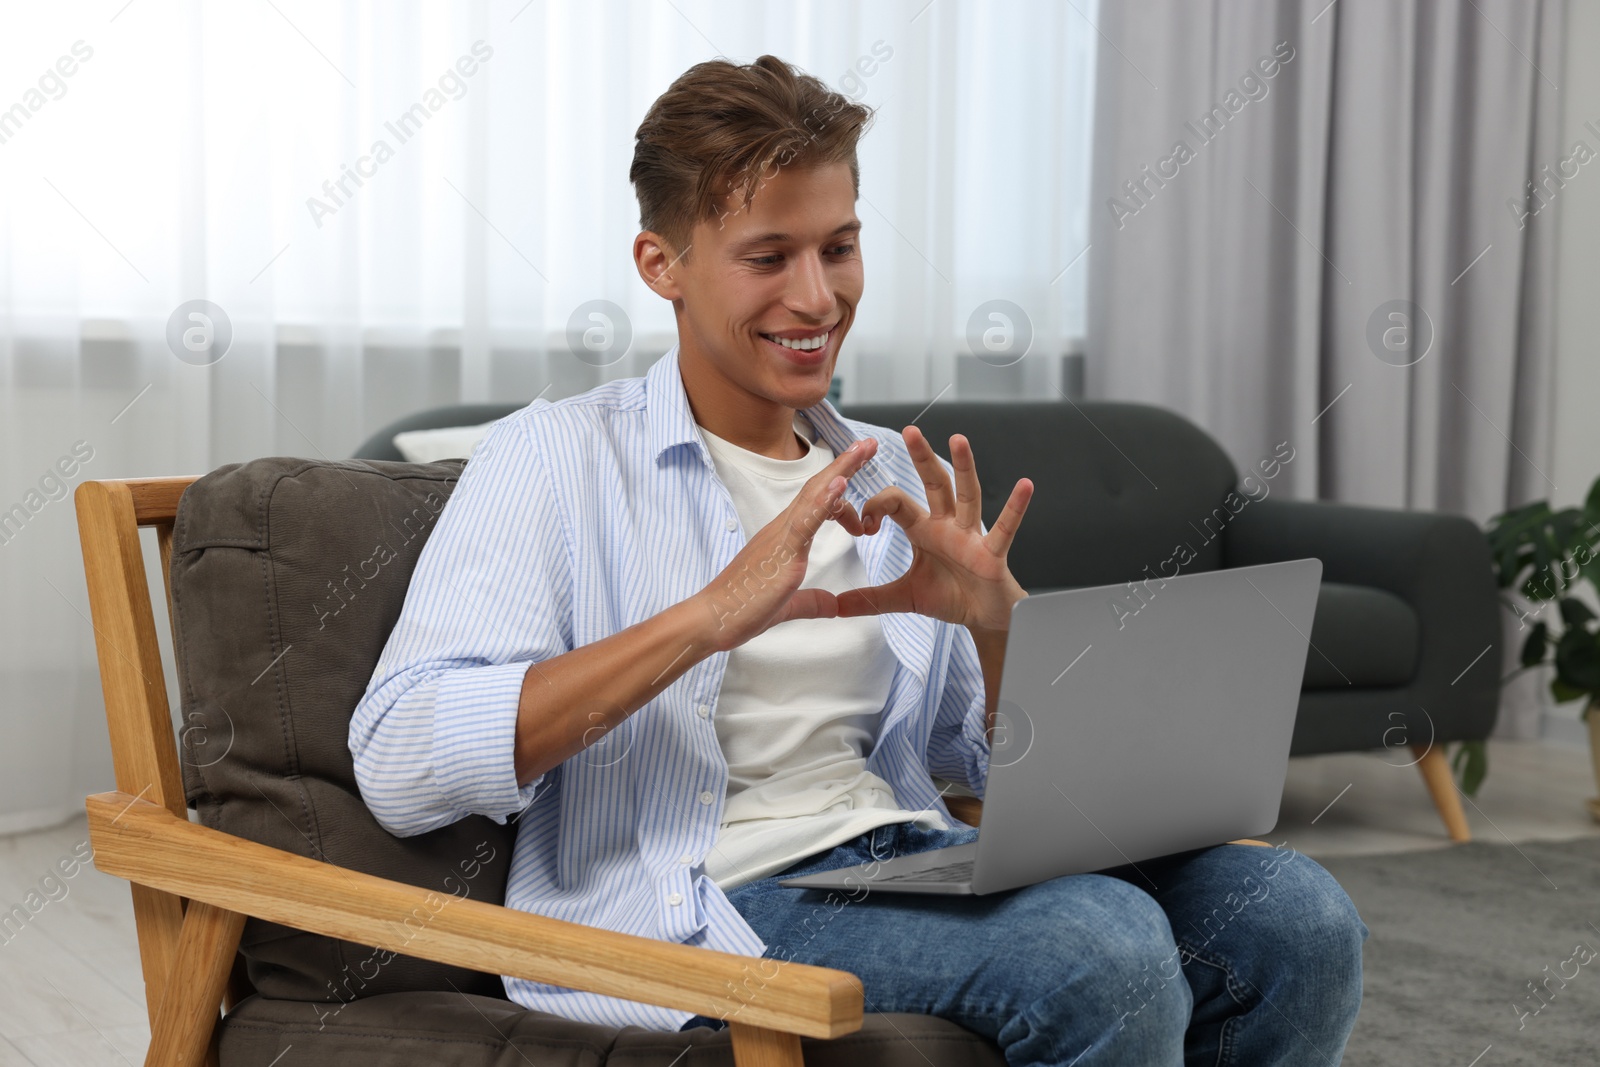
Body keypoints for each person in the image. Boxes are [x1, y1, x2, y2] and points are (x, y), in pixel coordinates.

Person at [350, 53, 1367, 1065]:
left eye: (839, 247)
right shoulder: (556, 454)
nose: (817, 296)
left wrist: (998, 619)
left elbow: (986, 766)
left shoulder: (884, 470)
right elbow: (400, 753)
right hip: (707, 900)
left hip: (906, 858)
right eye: (768, 255)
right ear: (661, 264)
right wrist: (710, 615)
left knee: (1291, 912)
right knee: (1100, 950)